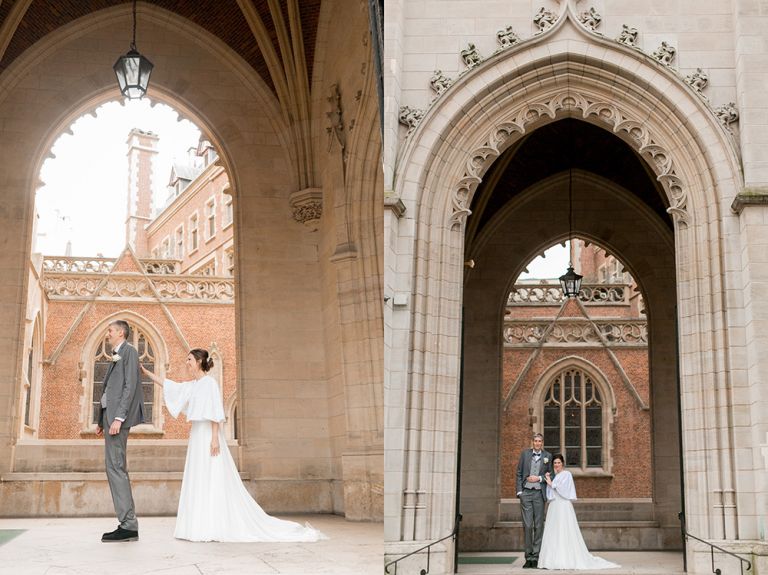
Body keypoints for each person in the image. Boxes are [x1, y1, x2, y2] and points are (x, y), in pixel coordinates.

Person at [141, 349, 325, 542]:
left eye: (189, 359)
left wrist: (214, 438)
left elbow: (214, 411)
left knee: (211, 475)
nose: (186, 362)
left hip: (207, 435)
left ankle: (213, 524)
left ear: (199, 361)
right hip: (196, 434)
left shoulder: (210, 384)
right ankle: (199, 524)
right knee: (199, 475)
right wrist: (147, 373)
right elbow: (171, 386)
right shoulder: (193, 385)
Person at [96, 320, 144, 542]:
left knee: (116, 467)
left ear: (121, 333)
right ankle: (126, 522)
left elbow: (129, 386)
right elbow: (109, 390)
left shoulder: (130, 352)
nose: (108, 334)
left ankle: (128, 524)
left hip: (117, 420)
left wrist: (118, 417)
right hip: (109, 420)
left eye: (111, 330)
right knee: (113, 467)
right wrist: (101, 420)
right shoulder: (117, 354)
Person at [538, 454, 619, 570]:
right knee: (554, 531)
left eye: (558, 463)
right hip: (554, 506)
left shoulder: (567, 474)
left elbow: (563, 490)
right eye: (555, 463)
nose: (556, 465)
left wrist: (551, 483)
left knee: (565, 531)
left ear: (563, 464)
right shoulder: (555, 476)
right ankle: (551, 559)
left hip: (563, 506)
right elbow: (550, 493)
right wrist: (549, 481)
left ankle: (565, 559)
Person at [516, 433, 554, 569]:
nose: (537, 443)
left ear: (542, 443)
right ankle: (528, 557)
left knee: (538, 526)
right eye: (535, 441)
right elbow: (519, 473)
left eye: (540, 441)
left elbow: (552, 474)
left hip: (539, 494)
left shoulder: (548, 456)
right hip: (526, 493)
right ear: (532, 442)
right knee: (527, 526)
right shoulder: (525, 454)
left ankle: (536, 557)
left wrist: (539, 479)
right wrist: (520, 492)